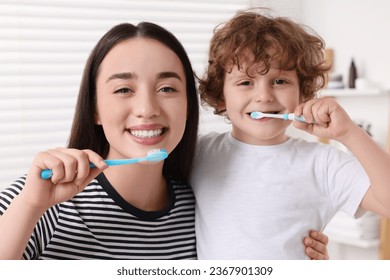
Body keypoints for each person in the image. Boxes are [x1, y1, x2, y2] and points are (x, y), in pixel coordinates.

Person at [0, 21, 328, 260]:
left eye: (167, 89)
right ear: (95, 109)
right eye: (123, 89)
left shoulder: (197, 206)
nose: (147, 109)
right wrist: (30, 208)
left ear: (188, 105)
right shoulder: (38, 199)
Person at [193, 9, 390, 259]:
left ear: (303, 94)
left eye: (280, 82)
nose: (264, 96)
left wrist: (350, 133)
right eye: (245, 82)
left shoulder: (322, 163)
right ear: (221, 98)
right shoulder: (200, 153)